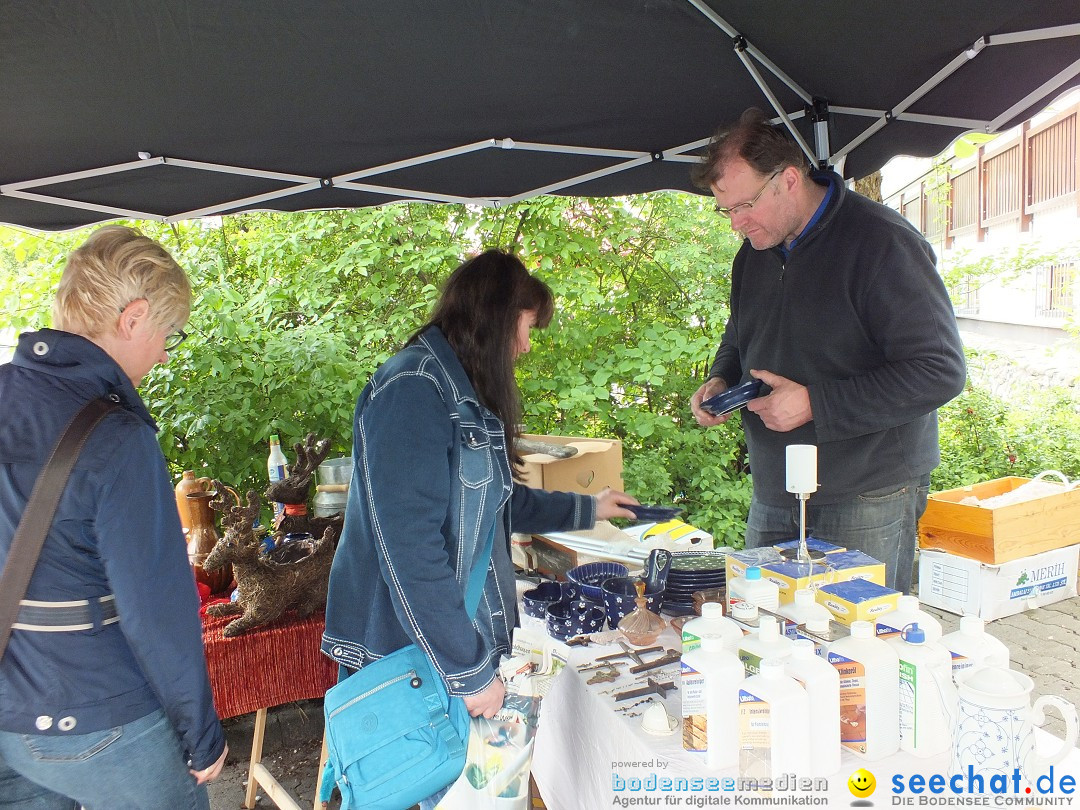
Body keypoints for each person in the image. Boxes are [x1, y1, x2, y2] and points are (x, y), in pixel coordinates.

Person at [321, 248, 638, 805]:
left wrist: (589, 507)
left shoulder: (462, 396)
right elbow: (410, 553)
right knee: (407, 789)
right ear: (496, 317)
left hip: (444, 646)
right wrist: (468, 672)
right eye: (525, 327)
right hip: (408, 654)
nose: (526, 346)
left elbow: (497, 503)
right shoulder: (413, 390)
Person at [688, 109, 966, 594]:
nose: (737, 223)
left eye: (745, 205)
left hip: (866, 488)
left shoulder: (882, 243)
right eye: (726, 210)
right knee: (765, 628)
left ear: (789, 179)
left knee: (854, 644)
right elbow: (740, 333)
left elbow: (939, 371)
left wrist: (816, 403)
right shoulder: (753, 252)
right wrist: (721, 378)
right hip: (776, 483)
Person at [0, 226, 227, 809]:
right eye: (167, 335)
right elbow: (157, 608)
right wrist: (202, 735)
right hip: (100, 721)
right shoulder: (116, 437)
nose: (163, 354)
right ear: (133, 318)